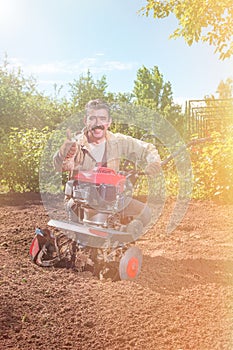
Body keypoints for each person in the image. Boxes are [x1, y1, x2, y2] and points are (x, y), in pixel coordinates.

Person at [53, 99, 161, 233]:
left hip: (111, 200)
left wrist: (153, 162)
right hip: (81, 203)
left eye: (102, 118)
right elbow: (61, 165)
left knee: (145, 214)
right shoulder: (76, 144)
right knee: (81, 238)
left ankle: (120, 240)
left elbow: (147, 148)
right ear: (85, 120)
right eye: (92, 118)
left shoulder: (118, 141)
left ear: (109, 122)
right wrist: (64, 154)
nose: (97, 123)